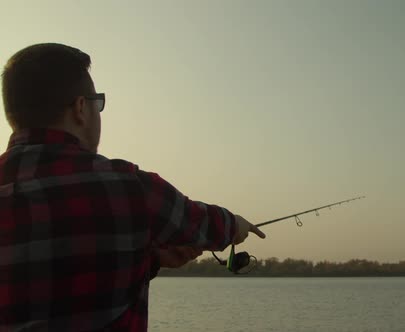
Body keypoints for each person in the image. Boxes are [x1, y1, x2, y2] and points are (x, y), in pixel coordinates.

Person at [0, 43, 265, 331]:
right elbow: (206, 225)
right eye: (97, 103)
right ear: (80, 108)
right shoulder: (131, 188)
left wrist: (149, 259)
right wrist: (236, 225)